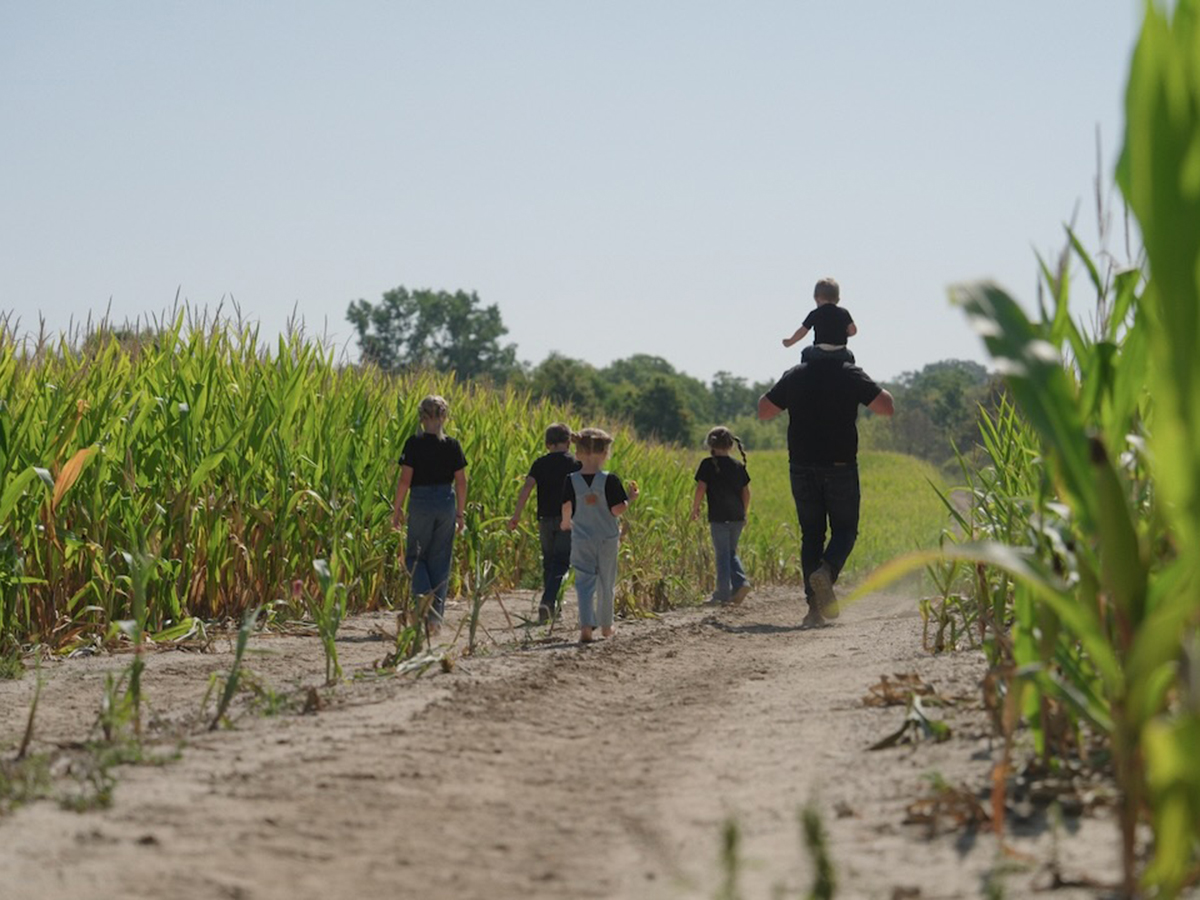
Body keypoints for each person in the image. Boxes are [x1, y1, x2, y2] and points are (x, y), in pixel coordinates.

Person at [757, 355, 894, 626]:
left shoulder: (795, 375)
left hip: (801, 465)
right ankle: (827, 570)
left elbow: (764, 410)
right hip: (840, 466)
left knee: (811, 535)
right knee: (845, 529)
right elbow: (886, 407)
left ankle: (814, 611)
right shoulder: (850, 374)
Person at [391, 394, 468, 638]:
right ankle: (435, 620)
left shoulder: (413, 444)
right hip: (446, 501)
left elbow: (405, 481)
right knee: (440, 561)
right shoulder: (452, 445)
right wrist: (460, 513)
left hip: (420, 502)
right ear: (444, 417)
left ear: (421, 417)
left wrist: (397, 509)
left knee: (414, 557)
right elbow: (462, 482)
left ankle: (424, 600)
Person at [560, 428, 639, 643]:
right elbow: (616, 510)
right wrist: (630, 499)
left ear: (578, 453)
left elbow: (567, 506)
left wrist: (565, 523)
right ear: (605, 453)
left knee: (584, 582)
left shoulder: (571, 479)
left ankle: (586, 625)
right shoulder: (610, 480)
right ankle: (606, 626)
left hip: (581, 537)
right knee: (606, 582)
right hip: (607, 538)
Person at [507, 422, 582, 624]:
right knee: (561, 563)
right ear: (568, 442)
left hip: (545, 520)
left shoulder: (540, 463)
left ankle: (553, 610)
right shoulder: (575, 464)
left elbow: (526, 489)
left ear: (548, 443)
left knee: (549, 562)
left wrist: (516, 515)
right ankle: (548, 602)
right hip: (567, 520)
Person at [690, 426, 752, 606]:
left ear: (710, 444)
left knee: (723, 555)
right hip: (737, 517)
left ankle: (726, 591)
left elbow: (701, 488)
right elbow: (746, 493)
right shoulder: (738, 466)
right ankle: (736, 587)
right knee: (730, 553)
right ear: (731, 445)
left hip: (718, 517)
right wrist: (744, 512)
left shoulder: (707, 464)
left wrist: (695, 508)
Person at [782, 277, 858, 363]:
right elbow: (853, 330)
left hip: (820, 351)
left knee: (806, 352)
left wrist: (790, 341)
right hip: (840, 351)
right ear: (837, 299)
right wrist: (843, 333)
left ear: (816, 298)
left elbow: (802, 331)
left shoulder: (815, 313)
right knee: (850, 355)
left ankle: (806, 375)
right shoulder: (843, 312)